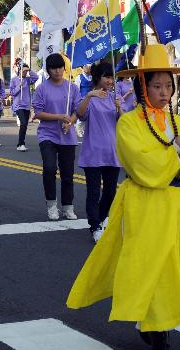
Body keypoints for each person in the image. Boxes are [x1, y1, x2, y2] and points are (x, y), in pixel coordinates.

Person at [67, 43, 180, 349]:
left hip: (177, 205)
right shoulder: (128, 122)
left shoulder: (178, 121)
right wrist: (176, 149)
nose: (164, 92)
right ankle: (155, 327)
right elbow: (141, 164)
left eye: (168, 86)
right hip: (145, 204)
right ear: (142, 86)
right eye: (157, 86)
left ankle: (155, 323)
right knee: (152, 268)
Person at [76, 61, 122, 242]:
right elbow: (80, 114)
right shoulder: (91, 97)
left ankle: (101, 219)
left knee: (110, 192)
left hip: (112, 152)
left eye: (112, 77)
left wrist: (119, 107)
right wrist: (89, 96)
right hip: (93, 151)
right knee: (93, 193)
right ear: (97, 77)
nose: (110, 80)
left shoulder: (114, 97)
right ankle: (94, 226)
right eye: (107, 76)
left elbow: (123, 122)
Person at [32, 53, 79, 221]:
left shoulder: (72, 87)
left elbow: (77, 111)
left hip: (67, 135)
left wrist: (70, 122)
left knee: (68, 173)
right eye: (54, 68)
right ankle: (51, 205)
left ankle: (68, 206)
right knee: (50, 168)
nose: (57, 71)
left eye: (60, 67)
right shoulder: (41, 88)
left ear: (64, 68)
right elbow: (38, 113)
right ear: (48, 70)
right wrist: (60, 117)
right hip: (47, 135)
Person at [10, 59, 39, 152]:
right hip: (18, 105)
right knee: (23, 123)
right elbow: (12, 93)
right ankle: (20, 144)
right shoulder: (14, 80)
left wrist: (29, 70)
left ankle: (21, 142)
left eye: (26, 71)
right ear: (19, 70)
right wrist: (19, 86)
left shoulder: (27, 79)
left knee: (25, 124)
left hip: (26, 105)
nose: (25, 72)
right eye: (24, 70)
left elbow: (36, 77)